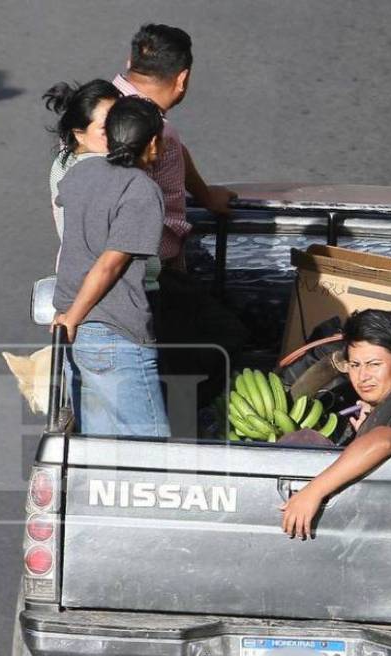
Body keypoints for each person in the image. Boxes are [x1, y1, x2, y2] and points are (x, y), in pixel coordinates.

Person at [112, 24, 250, 406]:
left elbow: (176, 149)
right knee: (224, 340)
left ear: (129, 61)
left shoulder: (101, 111)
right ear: (182, 79)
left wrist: (205, 195)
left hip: (119, 273)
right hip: (147, 277)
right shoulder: (152, 133)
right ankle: (187, 420)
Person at [50, 96, 168, 437]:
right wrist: (73, 317)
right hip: (115, 335)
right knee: (149, 451)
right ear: (153, 142)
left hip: (77, 339)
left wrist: (69, 319)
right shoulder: (141, 190)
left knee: (98, 451)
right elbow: (109, 265)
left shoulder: (81, 173)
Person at [280, 309, 391, 538]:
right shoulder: (389, 402)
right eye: (355, 365)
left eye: (373, 364)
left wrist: (313, 492)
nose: (363, 376)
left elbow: (381, 443)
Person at [43, 79, 121, 241]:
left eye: (120, 122)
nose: (119, 132)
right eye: (105, 129)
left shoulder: (65, 160)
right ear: (79, 134)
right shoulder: (96, 175)